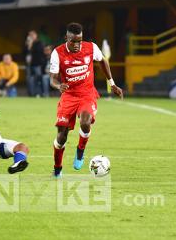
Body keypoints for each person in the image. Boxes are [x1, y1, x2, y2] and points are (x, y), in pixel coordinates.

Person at [49, 22, 123, 178]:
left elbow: (103, 61)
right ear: (66, 38)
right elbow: (52, 79)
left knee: (85, 121)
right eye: (73, 41)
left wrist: (112, 84)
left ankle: (80, 152)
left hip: (86, 93)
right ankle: (57, 169)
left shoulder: (91, 48)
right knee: (61, 137)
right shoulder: (57, 53)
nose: (76, 45)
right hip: (68, 96)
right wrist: (58, 85)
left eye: (79, 41)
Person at [24, 30, 45, 97]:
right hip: (29, 65)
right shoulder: (27, 43)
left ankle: (39, 93)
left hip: (37, 64)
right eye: (30, 35)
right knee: (29, 79)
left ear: (36, 35)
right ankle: (31, 94)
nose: (31, 36)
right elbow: (24, 52)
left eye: (33, 35)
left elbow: (39, 52)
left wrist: (31, 45)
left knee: (38, 79)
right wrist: (28, 45)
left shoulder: (39, 43)